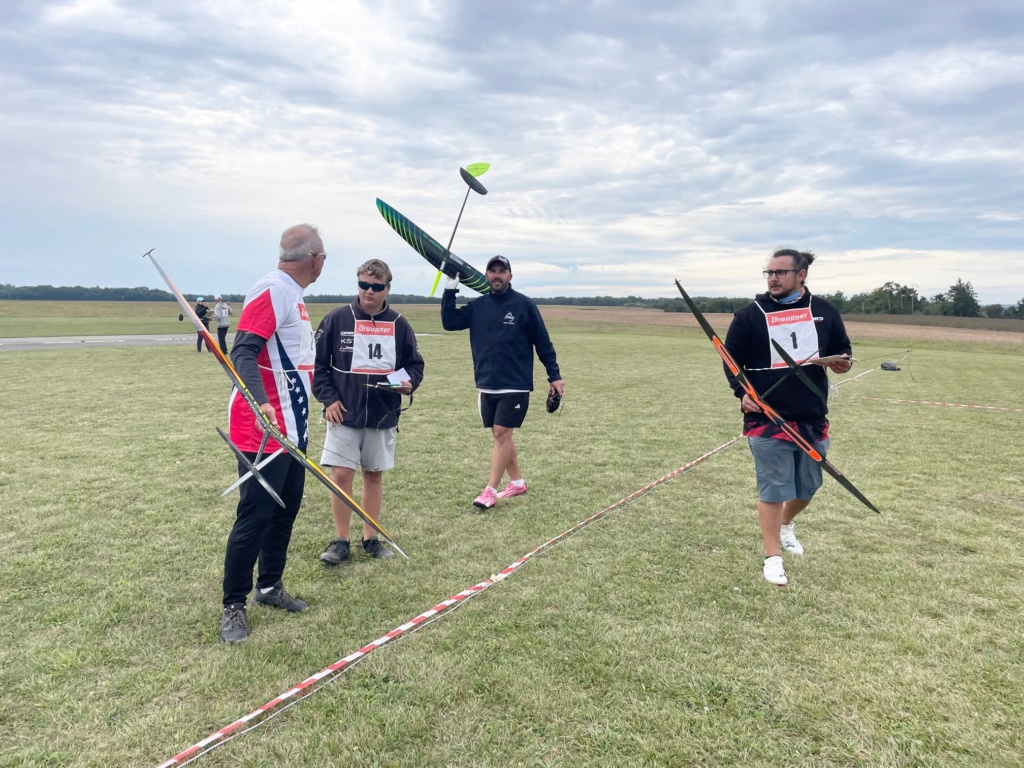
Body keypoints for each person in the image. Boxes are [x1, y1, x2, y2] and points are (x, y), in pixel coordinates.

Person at [219, 224, 327, 643]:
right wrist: (262, 403)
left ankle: (269, 587)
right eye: (324, 257)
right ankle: (233, 605)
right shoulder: (273, 289)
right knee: (255, 516)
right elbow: (243, 349)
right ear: (314, 259)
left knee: (286, 511)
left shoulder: (292, 295)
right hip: (262, 432)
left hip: (293, 430)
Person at [723, 247, 853, 587]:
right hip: (767, 419)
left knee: (809, 486)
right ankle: (772, 559)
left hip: (811, 416)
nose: (773, 278)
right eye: (769, 273)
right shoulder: (749, 315)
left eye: (780, 273)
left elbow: (844, 352)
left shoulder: (824, 311)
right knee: (773, 487)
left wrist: (842, 363)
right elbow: (730, 362)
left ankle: (785, 524)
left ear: (801, 275)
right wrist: (744, 394)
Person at [312, 259, 424, 563]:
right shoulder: (336, 319)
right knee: (341, 474)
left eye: (376, 287)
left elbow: (415, 366)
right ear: (357, 284)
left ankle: (371, 538)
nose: (369, 291)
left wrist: (408, 384)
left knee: (373, 474)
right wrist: (328, 399)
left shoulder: (400, 324)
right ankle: (340, 540)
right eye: (364, 285)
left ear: (388, 288)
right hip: (343, 413)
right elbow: (318, 367)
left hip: (382, 414)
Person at [441, 256, 564, 510]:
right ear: (486, 275)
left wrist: (554, 375)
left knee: (501, 433)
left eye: (502, 271)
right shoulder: (478, 306)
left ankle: (490, 490)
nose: (497, 275)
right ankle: (517, 482)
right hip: (486, 383)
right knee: (501, 437)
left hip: (515, 383)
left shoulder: (524, 305)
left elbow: (543, 342)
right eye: (492, 271)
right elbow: (450, 323)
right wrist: (449, 289)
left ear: (510, 275)